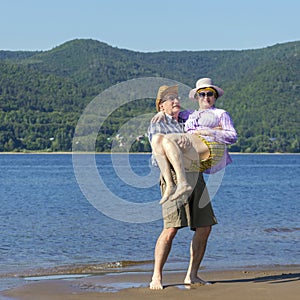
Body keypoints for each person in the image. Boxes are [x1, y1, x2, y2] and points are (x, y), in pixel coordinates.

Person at [147, 85, 218, 289]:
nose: (176, 101)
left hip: (196, 176)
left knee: (205, 227)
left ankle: (192, 275)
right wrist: (159, 115)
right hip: (173, 177)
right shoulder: (157, 123)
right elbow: (158, 150)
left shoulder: (188, 122)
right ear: (162, 106)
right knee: (171, 228)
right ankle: (156, 277)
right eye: (171, 99)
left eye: (177, 98)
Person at [150, 78, 237, 204]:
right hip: (192, 153)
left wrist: (209, 131)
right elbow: (172, 113)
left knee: (168, 139)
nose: (206, 97)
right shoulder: (189, 115)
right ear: (197, 97)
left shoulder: (220, 113)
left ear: (215, 97)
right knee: (157, 138)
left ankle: (182, 183)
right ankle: (170, 185)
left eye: (210, 94)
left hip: (208, 146)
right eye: (202, 94)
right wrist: (161, 113)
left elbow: (233, 136)